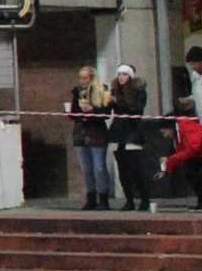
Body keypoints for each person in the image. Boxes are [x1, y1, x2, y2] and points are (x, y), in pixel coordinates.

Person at [105, 65, 156, 212]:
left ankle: (145, 199)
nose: (121, 77)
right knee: (122, 169)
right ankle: (129, 201)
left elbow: (137, 110)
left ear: (130, 76)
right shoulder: (114, 90)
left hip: (132, 132)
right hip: (117, 132)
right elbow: (108, 111)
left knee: (135, 168)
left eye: (125, 74)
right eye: (119, 74)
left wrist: (118, 101)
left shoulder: (139, 91)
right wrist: (105, 102)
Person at [67, 66, 116, 212]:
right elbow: (74, 113)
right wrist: (75, 112)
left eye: (85, 78)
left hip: (97, 133)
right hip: (80, 133)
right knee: (86, 167)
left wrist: (92, 111)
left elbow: (106, 113)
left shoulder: (102, 90)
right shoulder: (77, 92)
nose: (82, 81)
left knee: (99, 167)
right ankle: (91, 197)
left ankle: (104, 198)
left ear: (92, 78)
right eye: (80, 78)